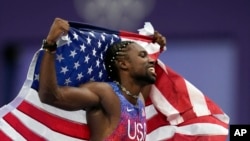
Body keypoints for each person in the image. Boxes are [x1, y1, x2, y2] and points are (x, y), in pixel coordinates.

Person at [38, 17, 166, 141]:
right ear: (123, 64)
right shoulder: (105, 93)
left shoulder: (139, 99)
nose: (150, 60)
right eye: (142, 56)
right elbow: (51, 96)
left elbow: (149, 70)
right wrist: (50, 44)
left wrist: (154, 46)